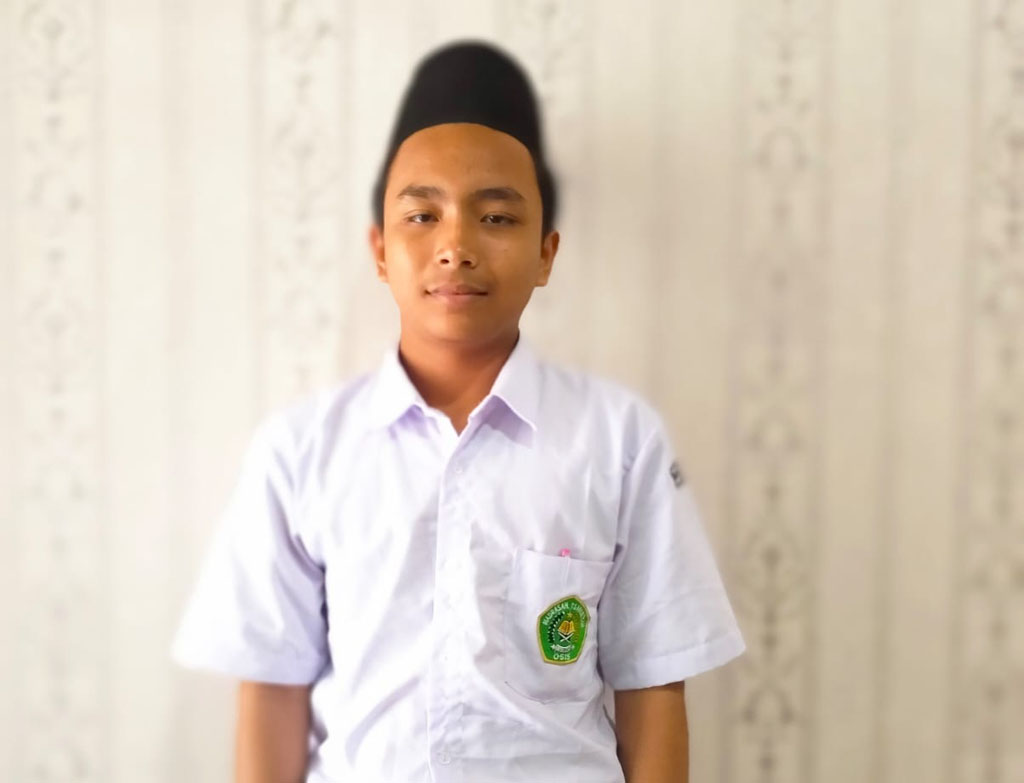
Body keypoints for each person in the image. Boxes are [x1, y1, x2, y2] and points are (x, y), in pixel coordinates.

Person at [170, 39, 746, 783]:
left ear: (546, 252)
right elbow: (272, 690)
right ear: (380, 250)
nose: (456, 246)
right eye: (422, 215)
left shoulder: (620, 441)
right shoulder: (301, 450)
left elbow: (654, 686)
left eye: (496, 217)